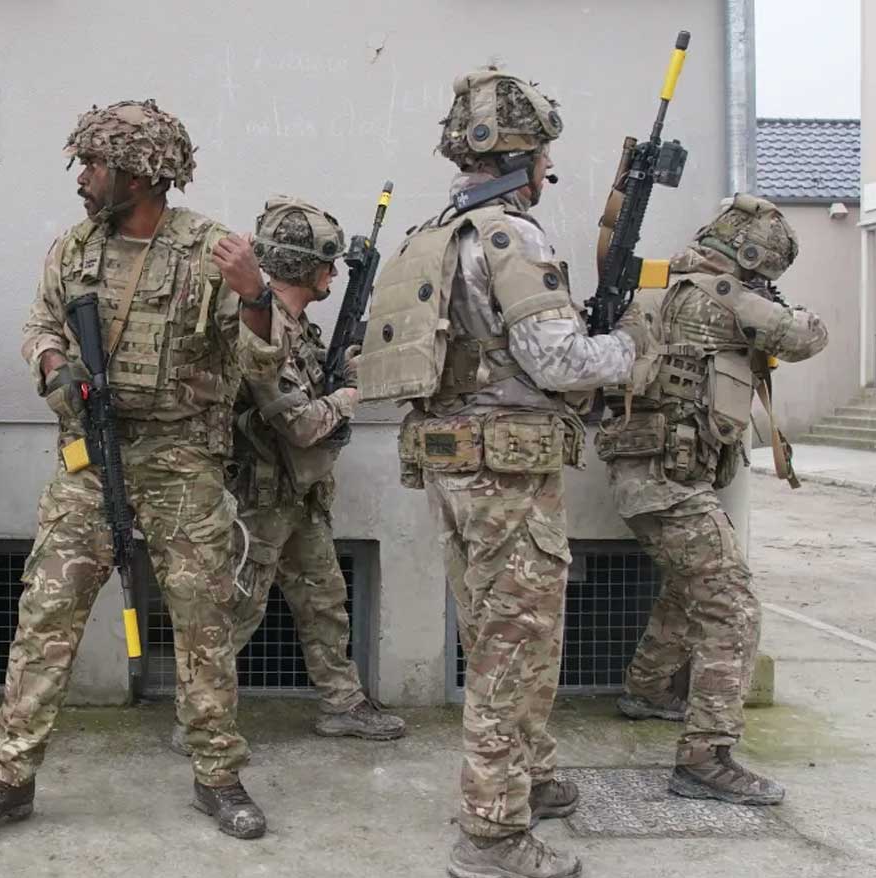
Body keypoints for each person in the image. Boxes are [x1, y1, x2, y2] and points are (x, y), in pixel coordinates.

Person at [0, 98, 279, 839]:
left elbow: (264, 361)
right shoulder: (74, 248)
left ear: (141, 172)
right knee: (46, 611)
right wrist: (54, 363)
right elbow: (39, 324)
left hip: (180, 461)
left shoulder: (212, 251)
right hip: (90, 462)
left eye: (95, 163)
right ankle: (9, 775)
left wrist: (256, 293)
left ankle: (218, 775)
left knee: (203, 622)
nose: (82, 177)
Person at [357, 70, 648, 878]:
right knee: (511, 650)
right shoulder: (510, 236)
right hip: (506, 475)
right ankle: (491, 837)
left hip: (455, 466)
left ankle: (532, 776)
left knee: (501, 634)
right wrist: (632, 344)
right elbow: (560, 361)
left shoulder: (434, 233)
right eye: (545, 155)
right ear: (525, 157)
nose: (550, 168)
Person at [600, 194, 827, 804]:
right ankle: (706, 758)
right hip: (670, 484)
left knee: (688, 586)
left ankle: (647, 690)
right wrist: (783, 304)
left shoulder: (658, 289)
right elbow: (806, 337)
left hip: (645, 477)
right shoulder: (724, 297)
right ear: (750, 256)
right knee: (733, 606)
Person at [168, 196, 406, 755]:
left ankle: (342, 703)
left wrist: (346, 369)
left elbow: (313, 390)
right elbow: (300, 424)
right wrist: (351, 395)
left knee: (324, 599)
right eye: (328, 265)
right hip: (258, 500)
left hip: (298, 493)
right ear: (307, 267)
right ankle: (197, 719)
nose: (333, 275)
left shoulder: (297, 328)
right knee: (235, 611)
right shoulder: (258, 329)